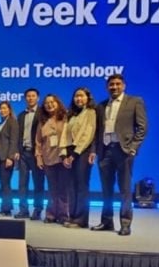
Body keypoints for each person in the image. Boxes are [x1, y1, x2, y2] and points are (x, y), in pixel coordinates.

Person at [93, 73, 149, 236]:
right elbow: (97, 130)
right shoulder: (101, 106)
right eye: (111, 85)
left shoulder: (134, 102)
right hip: (105, 151)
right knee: (106, 190)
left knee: (124, 190)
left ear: (123, 86)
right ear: (107, 87)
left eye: (118, 84)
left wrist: (133, 147)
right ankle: (107, 221)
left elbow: (142, 127)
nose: (114, 87)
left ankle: (125, 223)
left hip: (123, 151)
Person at [35, 93, 72, 224]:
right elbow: (38, 142)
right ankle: (50, 214)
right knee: (51, 189)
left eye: (52, 102)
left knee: (63, 188)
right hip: (48, 159)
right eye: (46, 103)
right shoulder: (42, 121)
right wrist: (39, 158)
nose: (49, 105)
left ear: (58, 103)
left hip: (63, 158)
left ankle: (63, 215)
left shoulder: (66, 117)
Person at [66, 87, 98, 228]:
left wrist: (75, 153)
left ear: (87, 97)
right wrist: (67, 153)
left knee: (82, 186)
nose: (79, 99)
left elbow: (87, 134)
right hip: (72, 151)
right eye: (76, 96)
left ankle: (81, 219)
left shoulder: (91, 112)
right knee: (72, 186)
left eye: (81, 96)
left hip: (82, 152)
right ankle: (72, 216)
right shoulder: (73, 114)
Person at [15, 88, 45, 220]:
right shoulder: (21, 115)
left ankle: (37, 210)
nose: (30, 98)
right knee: (22, 184)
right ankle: (23, 209)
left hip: (37, 154)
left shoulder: (43, 113)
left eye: (33, 96)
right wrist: (17, 150)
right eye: (28, 96)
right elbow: (17, 135)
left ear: (38, 98)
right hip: (23, 153)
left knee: (38, 183)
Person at [0, 100, 20, 216]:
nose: (2, 111)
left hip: (6, 157)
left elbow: (14, 140)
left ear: (9, 109)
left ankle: (6, 209)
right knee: (3, 183)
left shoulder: (12, 122)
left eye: (4, 108)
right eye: (0, 109)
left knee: (5, 183)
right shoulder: (1, 123)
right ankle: (6, 207)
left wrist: (10, 157)